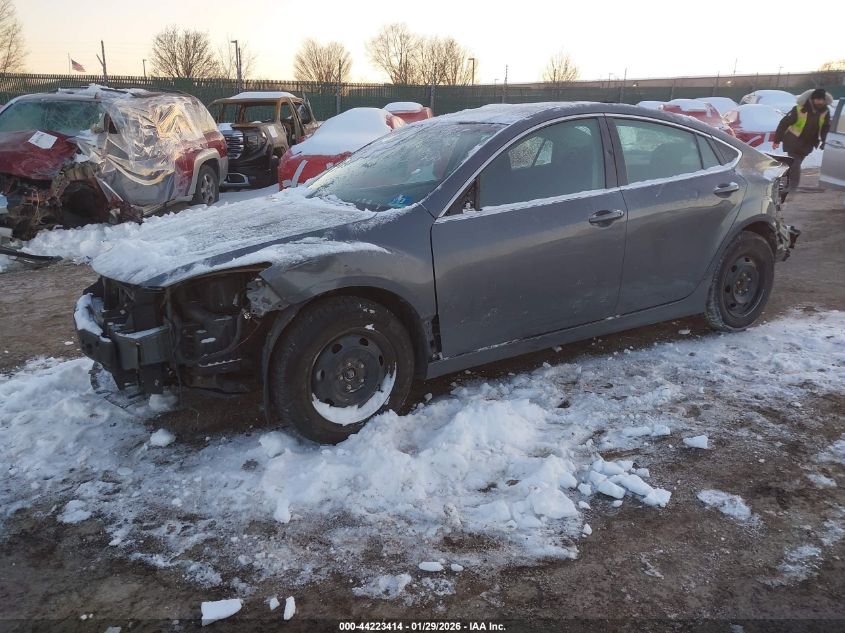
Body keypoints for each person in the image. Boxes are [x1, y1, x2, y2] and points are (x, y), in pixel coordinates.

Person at [772, 88, 832, 200]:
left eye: (822, 100)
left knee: (794, 165)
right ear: (812, 99)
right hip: (793, 141)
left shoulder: (825, 111)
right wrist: (777, 140)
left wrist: (824, 141)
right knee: (795, 164)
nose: (820, 102)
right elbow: (783, 123)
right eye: (818, 99)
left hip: (808, 144)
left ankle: (784, 184)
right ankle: (792, 190)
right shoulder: (799, 109)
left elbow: (825, 128)